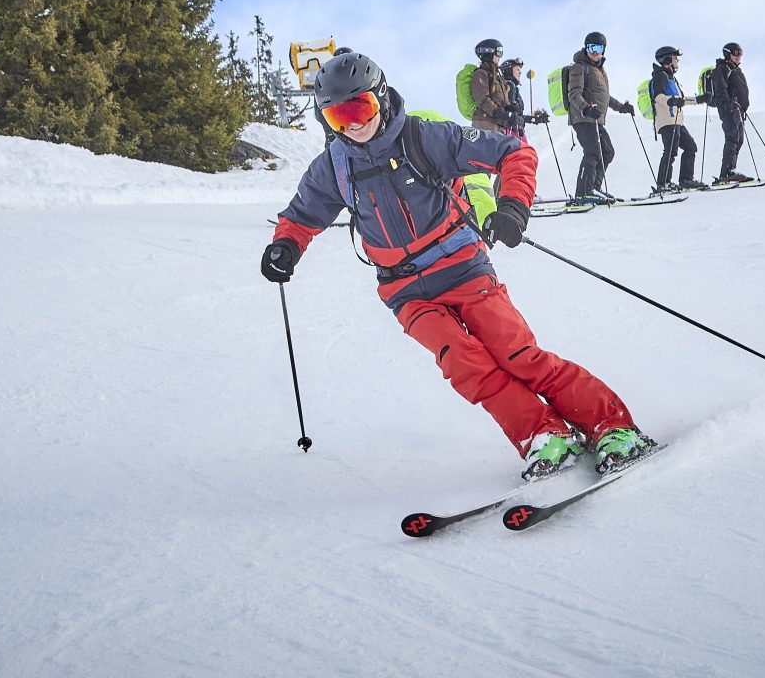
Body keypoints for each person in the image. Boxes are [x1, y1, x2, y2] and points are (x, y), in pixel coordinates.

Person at [261, 52, 654, 479]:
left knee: (519, 356)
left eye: (360, 109)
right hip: (405, 291)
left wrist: (513, 207)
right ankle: (542, 435)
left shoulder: (423, 138)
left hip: (463, 268)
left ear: (380, 98)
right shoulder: (334, 166)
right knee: (469, 368)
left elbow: (514, 152)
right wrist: (286, 246)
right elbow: (301, 214)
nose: (352, 124)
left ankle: (611, 425)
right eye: (337, 116)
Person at [564, 31, 636, 200]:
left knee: (607, 152)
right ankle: (583, 193)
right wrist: (585, 108)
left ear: (604, 50)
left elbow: (604, 96)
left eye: (598, 48)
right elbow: (573, 94)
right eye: (591, 47)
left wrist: (622, 107)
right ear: (585, 48)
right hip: (583, 118)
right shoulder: (579, 67)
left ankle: (594, 188)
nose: (595, 52)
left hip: (596, 120)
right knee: (593, 152)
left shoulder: (599, 70)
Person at [648, 46, 706, 193]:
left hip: (677, 121)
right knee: (671, 151)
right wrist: (672, 101)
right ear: (667, 60)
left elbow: (680, 99)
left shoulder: (671, 77)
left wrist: (699, 99)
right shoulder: (660, 76)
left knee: (690, 146)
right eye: (675, 57)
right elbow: (659, 97)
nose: (677, 60)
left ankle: (686, 180)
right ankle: (663, 184)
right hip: (667, 120)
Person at [708, 42, 751, 183]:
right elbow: (721, 90)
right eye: (735, 53)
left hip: (738, 110)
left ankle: (730, 170)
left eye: (740, 53)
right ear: (728, 54)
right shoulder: (722, 69)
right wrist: (729, 105)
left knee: (739, 139)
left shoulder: (736, 70)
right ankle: (726, 172)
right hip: (729, 110)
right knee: (732, 137)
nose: (739, 56)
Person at [468, 38, 513, 135]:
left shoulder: (497, 77)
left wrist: (510, 109)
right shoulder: (481, 74)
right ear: (489, 53)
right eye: (498, 52)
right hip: (485, 124)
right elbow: (483, 100)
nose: (499, 56)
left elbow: (500, 100)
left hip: (497, 125)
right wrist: (499, 112)